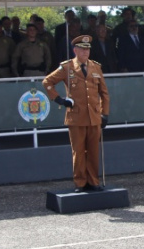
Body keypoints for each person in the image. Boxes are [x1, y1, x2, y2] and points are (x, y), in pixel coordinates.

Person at [42, 35, 110, 193]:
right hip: (76, 116)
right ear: (75, 50)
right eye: (83, 49)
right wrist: (59, 100)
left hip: (94, 117)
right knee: (78, 152)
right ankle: (80, 182)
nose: (86, 52)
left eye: (88, 49)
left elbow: (104, 93)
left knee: (93, 151)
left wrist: (104, 113)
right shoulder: (67, 67)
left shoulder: (96, 67)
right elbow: (47, 82)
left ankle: (93, 181)